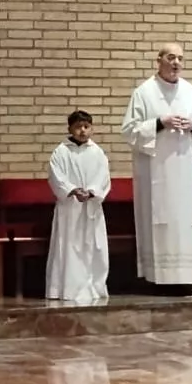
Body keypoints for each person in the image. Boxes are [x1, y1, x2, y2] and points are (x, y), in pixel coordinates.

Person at [121, 43, 192, 293]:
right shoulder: (144, 92)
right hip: (156, 172)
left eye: (180, 59)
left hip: (184, 171)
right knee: (159, 220)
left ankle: (185, 280)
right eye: (171, 58)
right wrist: (159, 123)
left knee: (184, 222)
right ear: (159, 60)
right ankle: (158, 280)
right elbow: (130, 131)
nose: (176, 63)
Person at [47, 111, 112, 305]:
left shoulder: (97, 152)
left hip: (91, 207)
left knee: (93, 247)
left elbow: (104, 177)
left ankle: (93, 287)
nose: (82, 131)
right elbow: (56, 176)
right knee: (68, 247)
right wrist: (73, 190)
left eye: (86, 127)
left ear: (91, 128)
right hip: (70, 208)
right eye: (78, 127)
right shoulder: (61, 151)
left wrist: (91, 192)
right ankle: (66, 287)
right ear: (70, 129)